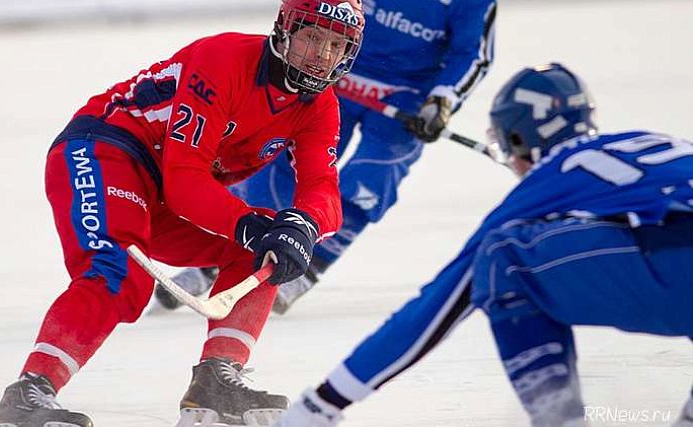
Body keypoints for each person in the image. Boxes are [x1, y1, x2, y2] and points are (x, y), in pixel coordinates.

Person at [0, 1, 365, 426]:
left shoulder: (320, 106)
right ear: (283, 30)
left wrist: (304, 226)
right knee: (120, 271)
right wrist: (246, 225)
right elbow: (185, 178)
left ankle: (217, 379)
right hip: (105, 149)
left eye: (335, 45)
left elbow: (322, 188)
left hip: (161, 186)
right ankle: (29, 392)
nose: (322, 56)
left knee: (266, 250)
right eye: (312, 37)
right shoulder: (222, 59)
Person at [272, 63, 693, 427]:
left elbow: (436, 305)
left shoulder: (552, 177)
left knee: (502, 256)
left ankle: (559, 416)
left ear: (518, 140)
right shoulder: (653, 144)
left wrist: (323, 402)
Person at [155, 0, 497, 314]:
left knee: (370, 180)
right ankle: (218, 258)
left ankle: (308, 264)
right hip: (331, 76)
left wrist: (443, 99)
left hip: (407, 97)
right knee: (278, 164)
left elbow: (473, 52)